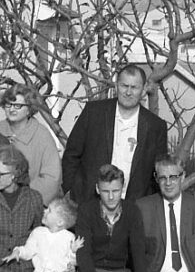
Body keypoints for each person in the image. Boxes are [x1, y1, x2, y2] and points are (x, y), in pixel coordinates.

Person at [62, 64, 168, 203]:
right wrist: (70, 190)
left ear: (143, 90)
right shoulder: (93, 113)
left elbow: (158, 171)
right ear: (117, 86)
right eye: (124, 86)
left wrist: (150, 205)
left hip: (132, 207)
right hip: (89, 202)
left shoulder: (155, 126)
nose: (128, 92)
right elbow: (71, 154)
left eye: (134, 87)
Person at [0, 83, 62, 204]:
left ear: (29, 109)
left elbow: (52, 178)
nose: (12, 109)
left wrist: (25, 199)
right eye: (8, 104)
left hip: (30, 205)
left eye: (18, 105)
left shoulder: (42, 135)